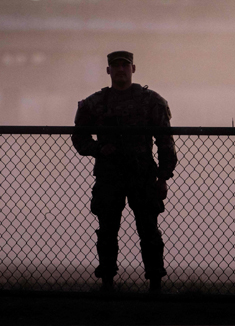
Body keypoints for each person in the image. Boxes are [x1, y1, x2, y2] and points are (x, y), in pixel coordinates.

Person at [72, 50, 177, 293]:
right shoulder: (95, 103)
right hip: (109, 175)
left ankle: (155, 282)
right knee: (107, 231)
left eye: (125, 65)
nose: (120, 70)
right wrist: (99, 149)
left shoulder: (151, 101)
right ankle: (107, 281)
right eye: (116, 66)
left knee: (149, 231)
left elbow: (165, 142)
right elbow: (79, 137)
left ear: (133, 69)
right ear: (108, 71)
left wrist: (163, 177)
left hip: (142, 175)